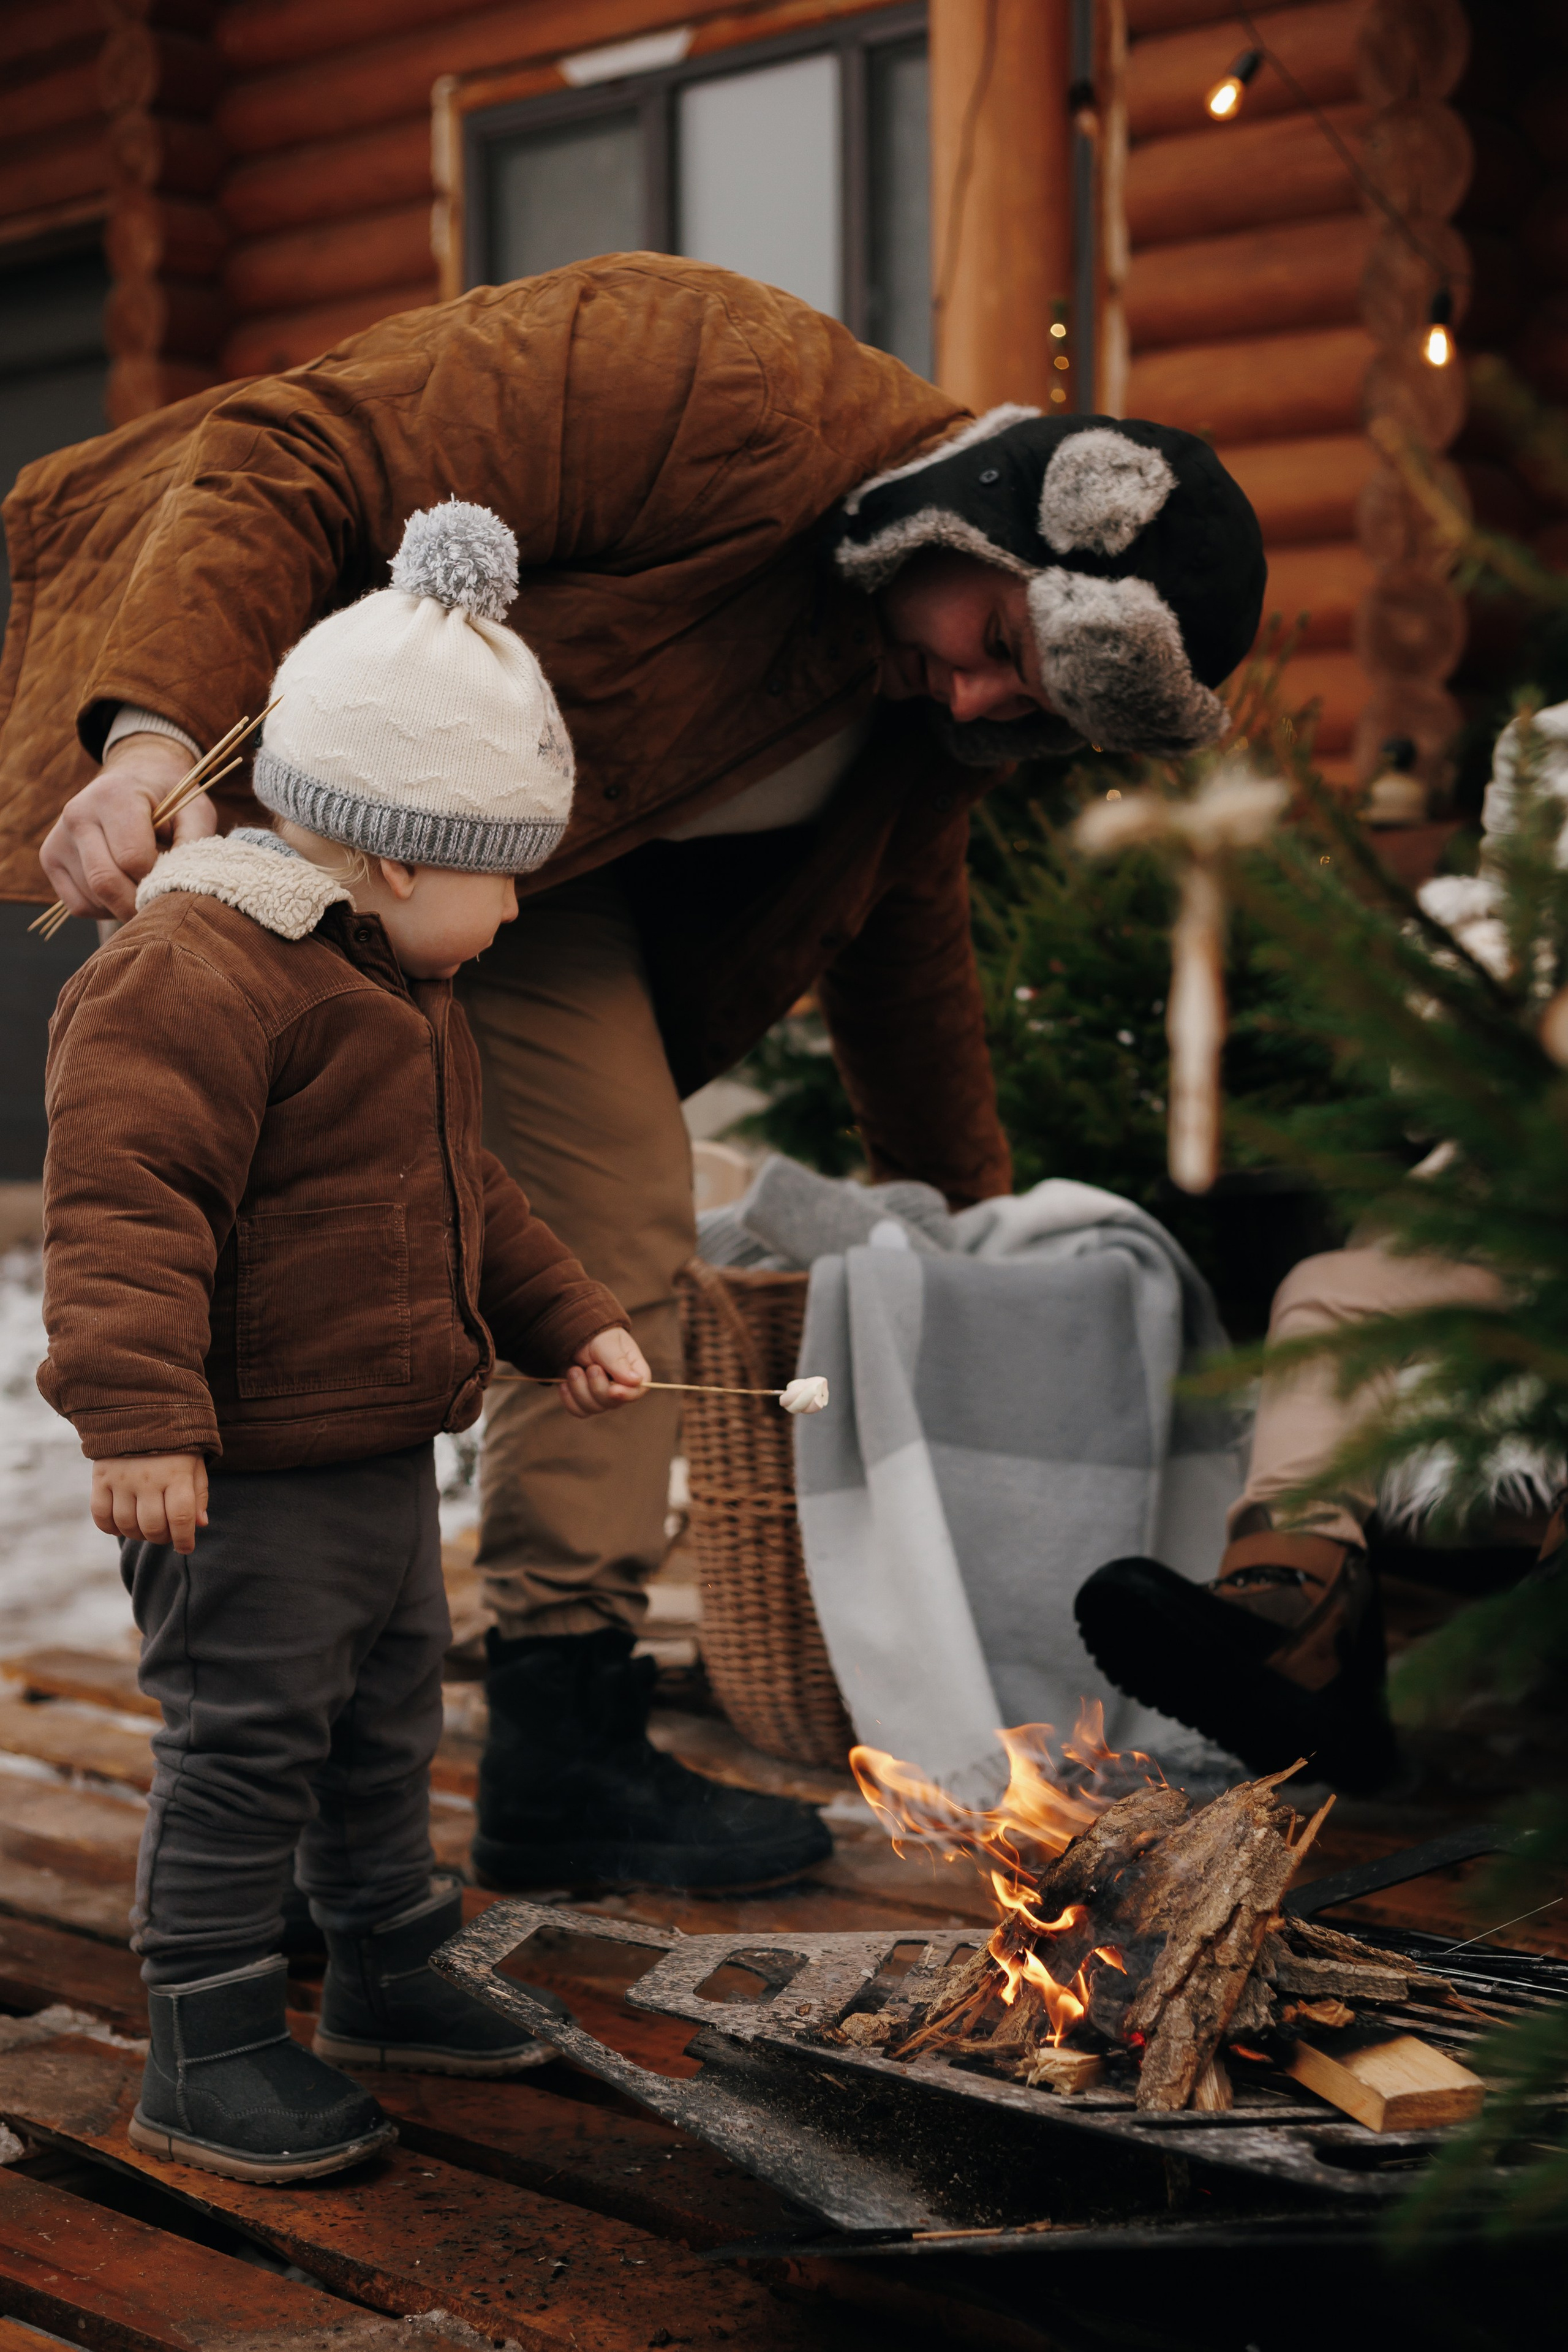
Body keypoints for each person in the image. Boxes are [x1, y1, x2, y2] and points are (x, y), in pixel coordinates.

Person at [3, 257, 1267, 1891]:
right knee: (264, 1237)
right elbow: (290, 452)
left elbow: (903, 951)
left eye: (1022, 707)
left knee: (611, 1209)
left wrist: (973, 1219)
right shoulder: (719, 380)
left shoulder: (913, 718)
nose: (973, 696)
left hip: (521, 888)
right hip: (277, 748)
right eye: (999, 639)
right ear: (996, 508)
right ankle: (257, 1786)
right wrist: (158, 733)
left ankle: (559, 1732)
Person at [39, 503, 652, 2183]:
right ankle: (210, 2039)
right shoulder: (197, 979)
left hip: (374, 1460)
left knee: (383, 1725)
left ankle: (384, 1961)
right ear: (392, 854)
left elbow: (475, 1196)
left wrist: (569, 1315)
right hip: (241, 1477)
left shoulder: (396, 984)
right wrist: (142, 1420)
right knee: (246, 1745)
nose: (517, 918)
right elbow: (123, 1203)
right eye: (503, 878)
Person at [1076, 701, 1568, 1795]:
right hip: (1512, 1242)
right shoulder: (1503, 935)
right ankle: (1293, 1615)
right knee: (1330, 1289)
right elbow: (1425, 1096)